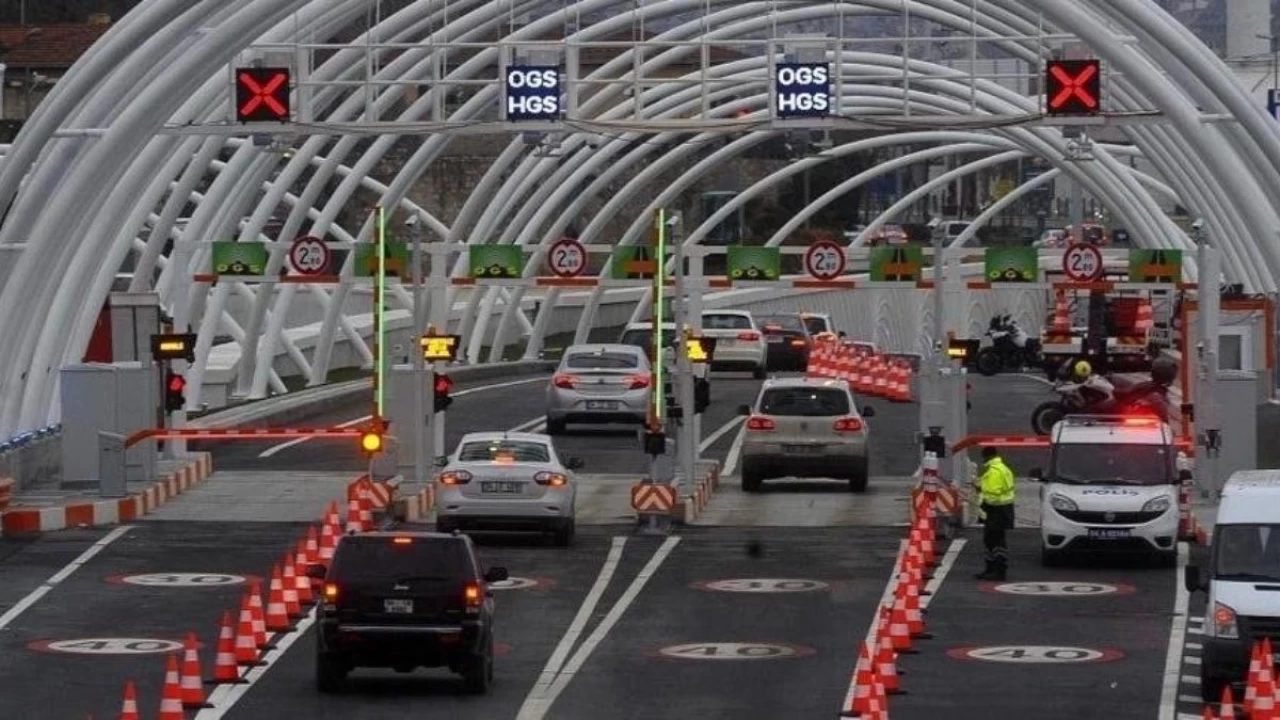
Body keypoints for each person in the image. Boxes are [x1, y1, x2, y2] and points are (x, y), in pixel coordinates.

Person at [974, 446, 1016, 581]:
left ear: (987, 457)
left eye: (984, 457)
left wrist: (980, 493)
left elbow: (992, 495)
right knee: (992, 540)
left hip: (995, 510)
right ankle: (992, 569)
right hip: (1004, 509)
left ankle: (998, 571)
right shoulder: (1004, 469)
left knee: (994, 541)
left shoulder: (993, 472)